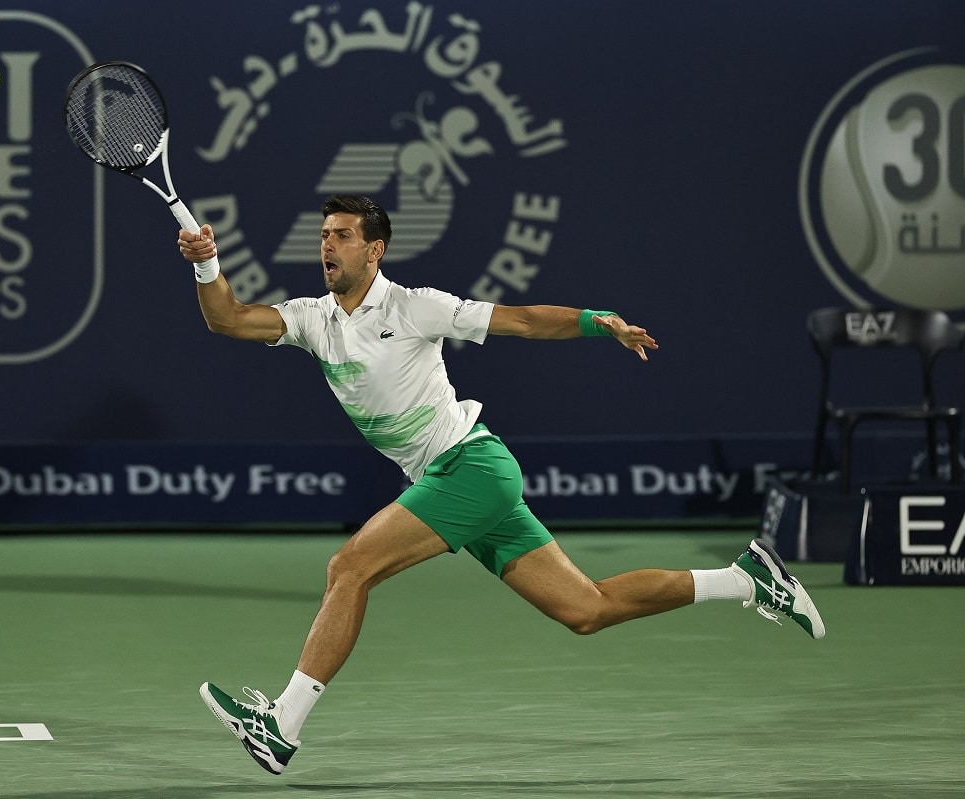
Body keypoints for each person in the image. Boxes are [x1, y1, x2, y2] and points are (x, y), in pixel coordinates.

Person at [177, 195, 824, 775]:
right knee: (586, 609)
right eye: (325, 234)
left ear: (374, 250)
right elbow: (229, 319)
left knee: (351, 566)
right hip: (458, 480)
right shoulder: (313, 319)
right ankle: (747, 578)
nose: (327, 245)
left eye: (343, 235)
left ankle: (282, 724)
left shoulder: (414, 307)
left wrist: (601, 321)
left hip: (471, 468)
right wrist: (207, 264)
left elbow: (520, 320)